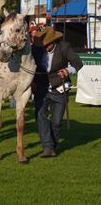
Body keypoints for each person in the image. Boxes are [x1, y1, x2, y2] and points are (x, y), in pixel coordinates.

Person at [32, 27, 83, 158]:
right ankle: (47, 146)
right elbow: (30, 65)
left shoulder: (64, 47)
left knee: (56, 122)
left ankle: (53, 145)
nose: (45, 46)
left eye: (47, 44)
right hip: (41, 89)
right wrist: (32, 81)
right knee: (41, 116)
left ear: (54, 41)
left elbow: (78, 63)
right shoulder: (36, 50)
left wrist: (67, 70)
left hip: (59, 88)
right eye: (43, 44)